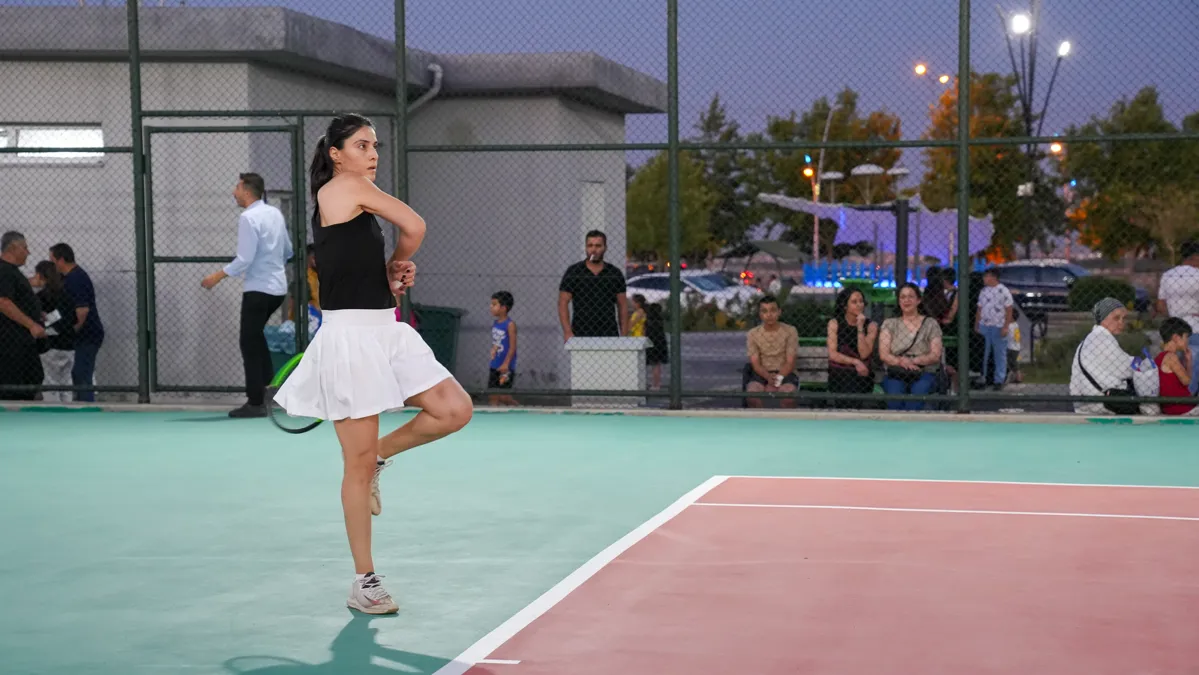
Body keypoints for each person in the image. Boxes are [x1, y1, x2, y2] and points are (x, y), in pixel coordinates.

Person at [272, 113, 473, 615]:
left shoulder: (354, 198)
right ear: (336, 154)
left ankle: (380, 455)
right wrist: (399, 258)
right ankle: (364, 581)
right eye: (362, 145)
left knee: (454, 409)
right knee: (354, 468)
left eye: (375, 146)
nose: (373, 153)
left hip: (387, 331)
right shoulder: (345, 188)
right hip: (350, 341)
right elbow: (415, 225)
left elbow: (361, 264)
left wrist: (387, 274)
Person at [201, 173, 294, 418]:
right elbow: (288, 250)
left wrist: (217, 276)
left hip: (258, 290)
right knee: (256, 337)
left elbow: (245, 258)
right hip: (278, 290)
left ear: (246, 190)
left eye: (237, 187)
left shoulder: (248, 218)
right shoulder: (274, 213)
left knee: (249, 342)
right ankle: (270, 391)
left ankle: (255, 402)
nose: (234, 192)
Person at [50, 243, 103, 402]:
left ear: (61, 260)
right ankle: (83, 404)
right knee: (78, 374)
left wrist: (72, 330)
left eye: (52, 261)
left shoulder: (76, 279)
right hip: (83, 335)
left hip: (87, 335)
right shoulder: (69, 277)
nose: (52, 265)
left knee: (82, 374)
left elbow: (82, 311)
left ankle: (86, 407)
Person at [878, 283, 943, 411]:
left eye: (910, 297)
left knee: (918, 394)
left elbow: (935, 354)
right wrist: (901, 362)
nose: (906, 300)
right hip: (897, 370)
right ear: (898, 301)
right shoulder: (890, 324)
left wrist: (913, 361)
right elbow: (884, 354)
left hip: (924, 370)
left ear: (918, 300)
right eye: (902, 297)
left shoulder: (930, 323)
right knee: (894, 397)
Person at [558, 231, 628, 341]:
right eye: (590, 246)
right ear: (585, 248)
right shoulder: (574, 271)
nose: (593, 250)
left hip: (609, 334)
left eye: (598, 246)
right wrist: (567, 332)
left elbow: (622, 305)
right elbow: (562, 302)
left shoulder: (614, 273)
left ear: (605, 248)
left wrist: (624, 335)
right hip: (580, 333)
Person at [1070, 298, 1134, 415]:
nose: (1121, 322)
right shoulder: (1102, 339)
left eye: (1123, 318)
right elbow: (1125, 368)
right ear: (1103, 318)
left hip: (1086, 401)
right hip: (1100, 402)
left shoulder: (1093, 338)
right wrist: (1142, 364)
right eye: (1116, 318)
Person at [0, 231, 45, 400]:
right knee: (15, 387)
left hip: (21, 343)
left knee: (32, 378)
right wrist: (31, 324)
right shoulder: (4, 271)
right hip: (10, 344)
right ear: (13, 248)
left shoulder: (13, 273)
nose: (28, 252)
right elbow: (3, 302)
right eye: (25, 248)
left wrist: (36, 313)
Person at [1156, 240, 1199, 394]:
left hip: (1174, 329)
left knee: (1177, 368)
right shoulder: (1197, 274)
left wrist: (1175, 313)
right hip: (1195, 328)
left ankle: (1179, 396)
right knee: (1194, 365)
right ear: (1195, 257)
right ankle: (1190, 398)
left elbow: (1161, 305)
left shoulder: (1168, 275)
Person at [31, 260, 77, 402]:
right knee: (66, 381)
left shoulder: (40, 298)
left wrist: (47, 326)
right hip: (68, 345)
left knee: (50, 381)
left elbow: (36, 320)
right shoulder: (67, 295)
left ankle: (53, 410)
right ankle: (67, 408)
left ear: (39, 275)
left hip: (48, 345)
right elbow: (74, 319)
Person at [826, 287, 877, 408]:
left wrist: (860, 327)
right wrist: (855, 362)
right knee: (847, 383)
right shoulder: (834, 323)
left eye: (861, 301)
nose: (859, 305)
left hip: (862, 374)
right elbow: (832, 354)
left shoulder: (871, 325)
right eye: (854, 302)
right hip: (840, 372)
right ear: (845, 306)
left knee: (854, 384)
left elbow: (864, 354)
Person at [745, 295, 799, 408]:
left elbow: (790, 362)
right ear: (760, 314)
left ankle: (787, 419)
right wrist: (768, 378)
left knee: (788, 396)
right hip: (761, 373)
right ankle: (760, 419)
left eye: (773, 310)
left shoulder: (790, 331)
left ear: (779, 312)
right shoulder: (753, 334)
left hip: (785, 373)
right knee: (752, 395)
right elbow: (755, 364)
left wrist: (778, 379)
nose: (769, 315)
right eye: (764, 311)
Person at [975, 267, 1014, 390]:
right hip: (984, 325)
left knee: (999, 354)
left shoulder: (1004, 291)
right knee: (984, 354)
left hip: (998, 326)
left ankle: (999, 379)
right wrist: (977, 324)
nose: (984, 279)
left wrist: (1006, 326)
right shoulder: (983, 291)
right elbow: (979, 308)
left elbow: (1009, 310)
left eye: (986, 276)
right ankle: (984, 377)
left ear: (993, 277)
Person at [1155, 317, 1196, 416]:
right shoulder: (1171, 357)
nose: (1187, 341)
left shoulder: (1159, 357)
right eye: (1186, 337)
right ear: (1176, 338)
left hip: (1174, 407)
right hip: (1181, 408)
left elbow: (1185, 383)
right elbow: (1187, 381)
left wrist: (1188, 361)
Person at [487, 290, 519, 407]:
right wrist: (493, 350)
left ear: (503, 308)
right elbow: (497, 341)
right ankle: (493, 415)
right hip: (495, 364)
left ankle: (517, 408)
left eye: (494, 304)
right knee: (492, 395)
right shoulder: (495, 323)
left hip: (506, 366)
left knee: (504, 396)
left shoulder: (510, 325)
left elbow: (512, 347)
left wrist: (506, 364)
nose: (491, 307)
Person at [630, 294, 668, 390]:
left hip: (639, 340)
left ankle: (646, 384)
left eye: (633, 302)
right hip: (650, 341)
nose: (632, 304)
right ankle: (655, 384)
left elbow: (631, 325)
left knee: (643, 363)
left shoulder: (640, 313)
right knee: (654, 363)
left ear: (638, 303)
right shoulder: (652, 317)